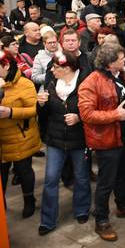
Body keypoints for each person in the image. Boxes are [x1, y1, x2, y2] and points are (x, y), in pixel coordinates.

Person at [78, 44, 125, 242]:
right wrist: (116, 114)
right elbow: (87, 114)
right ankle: (101, 220)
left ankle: (123, 205)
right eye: (121, 57)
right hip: (108, 139)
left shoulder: (119, 76)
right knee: (106, 182)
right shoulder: (91, 82)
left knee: (124, 175)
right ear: (109, 62)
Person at [37, 53, 91, 235]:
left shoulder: (85, 83)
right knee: (51, 179)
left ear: (67, 68)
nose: (52, 70)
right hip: (55, 139)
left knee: (82, 176)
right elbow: (44, 116)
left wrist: (79, 118)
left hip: (78, 139)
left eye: (55, 67)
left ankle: (82, 210)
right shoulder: (51, 83)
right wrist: (41, 105)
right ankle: (47, 220)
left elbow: (93, 109)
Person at [0, 51, 40, 218]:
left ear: (7, 66)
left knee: (24, 171)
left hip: (20, 136)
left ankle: (29, 199)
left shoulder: (24, 84)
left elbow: (33, 109)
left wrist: (10, 112)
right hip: (1, 140)